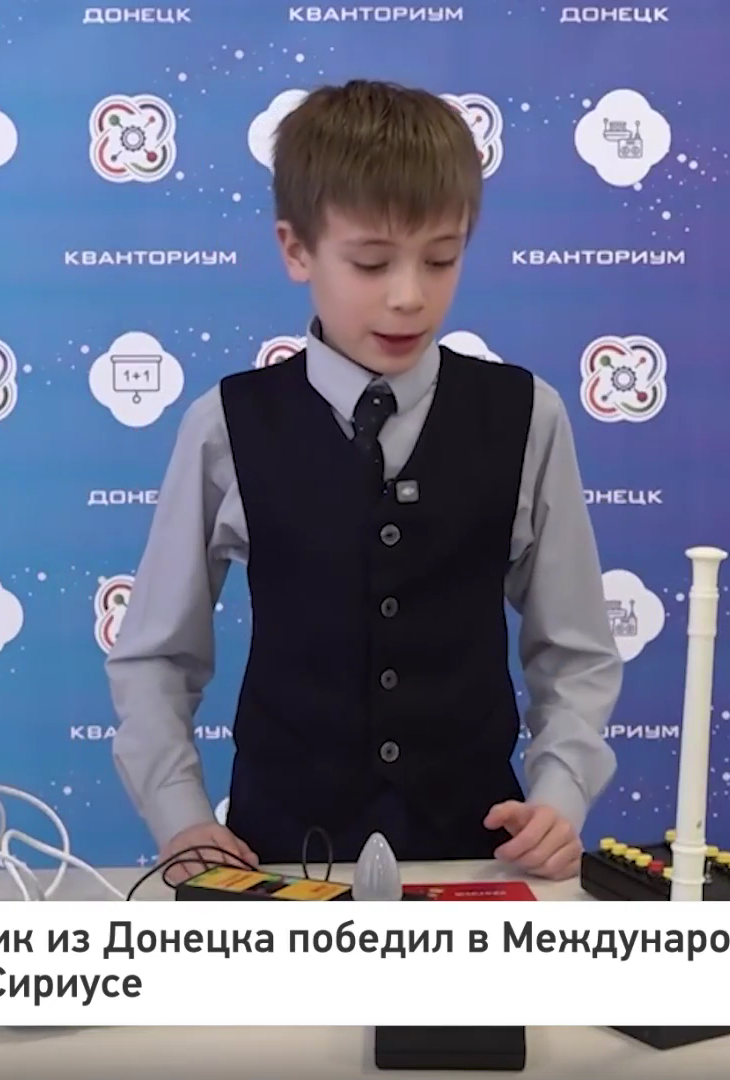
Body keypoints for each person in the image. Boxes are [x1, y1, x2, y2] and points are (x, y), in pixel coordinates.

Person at [108, 79, 621, 884]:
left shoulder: (529, 416)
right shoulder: (226, 424)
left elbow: (576, 649)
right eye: (372, 262)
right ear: (296, 250)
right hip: (281, 863)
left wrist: (561, 795)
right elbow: (155, 658)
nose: (410, 296)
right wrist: (183, 819)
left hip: (477, 861)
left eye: (442, 258)